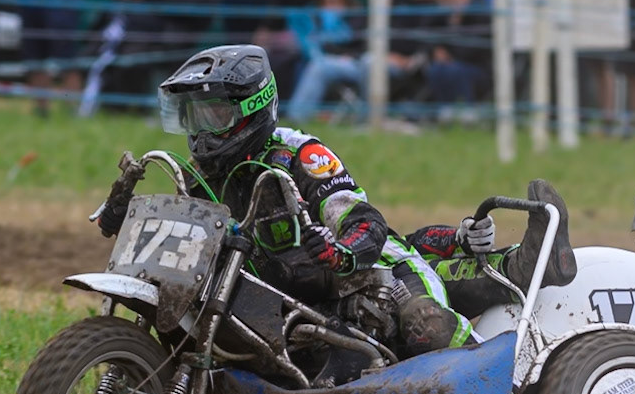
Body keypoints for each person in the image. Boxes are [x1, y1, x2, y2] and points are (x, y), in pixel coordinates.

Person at [95, 44, 573, 358]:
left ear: (250, 109)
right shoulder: (199, 173)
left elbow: (365, 220)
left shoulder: (299, 154)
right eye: (192, 117)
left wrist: (342, 250)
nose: (200, 132)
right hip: (284, 296)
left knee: (427, 325)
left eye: (213, 115)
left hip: (370, 280)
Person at [284, 0, 367, 120]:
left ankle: (296, 117)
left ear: (347, 1)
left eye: (336, 1)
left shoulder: (359, 19)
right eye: (325, 1)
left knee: (319, 67)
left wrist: (350, 55)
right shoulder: (316, 20)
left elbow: (367, 47)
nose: (330, 6)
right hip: (325, 63)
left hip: (356, 64)